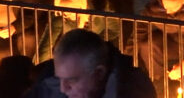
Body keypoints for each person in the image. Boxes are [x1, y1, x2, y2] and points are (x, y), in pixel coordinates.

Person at [26, 28, 155, 98]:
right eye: (59, 78)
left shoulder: (133, 90)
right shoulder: (47, 83)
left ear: (99, 73)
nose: (62, 88)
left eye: (72, 80)